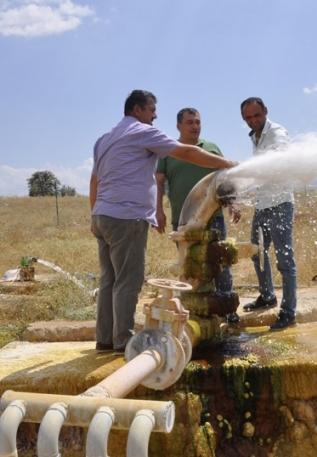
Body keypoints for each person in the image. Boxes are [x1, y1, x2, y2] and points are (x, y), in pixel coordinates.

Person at [90, 90, 237, 354]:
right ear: (137, 110)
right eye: (152, 109)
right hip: (127, 217)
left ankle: (104, 340)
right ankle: (122, 342)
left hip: (103, 216)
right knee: (128, 282)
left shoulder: (104, 139)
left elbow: (94, 180)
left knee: (108, 281)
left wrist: (94, 214)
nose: (155, 115)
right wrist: (227, 163)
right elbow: (186, 153)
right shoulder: (142, 132)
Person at [155, 108, 242, 323]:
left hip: (214, 220)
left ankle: (227, 311)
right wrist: (158, 210)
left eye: (197, 122)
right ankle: (197, 314)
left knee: (220, 263)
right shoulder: (169, 151)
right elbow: (158, 182)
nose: (195, 126)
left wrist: (233, 202)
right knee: (191, 266)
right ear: (179, 126)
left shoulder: (211, 148)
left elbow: (225, 178)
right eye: (189, 122)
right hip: (183, 222)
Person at [240, 97, 298, 330]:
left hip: (280, 203)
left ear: (265, 111)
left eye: (257, 115)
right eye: (248, 118)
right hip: (262, 204)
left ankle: (288, 312)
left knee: (285, 260)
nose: (253, 121)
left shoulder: (276, 133)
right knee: (257, 253)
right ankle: (267, 296)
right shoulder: (255, 137)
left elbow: (280, 156)